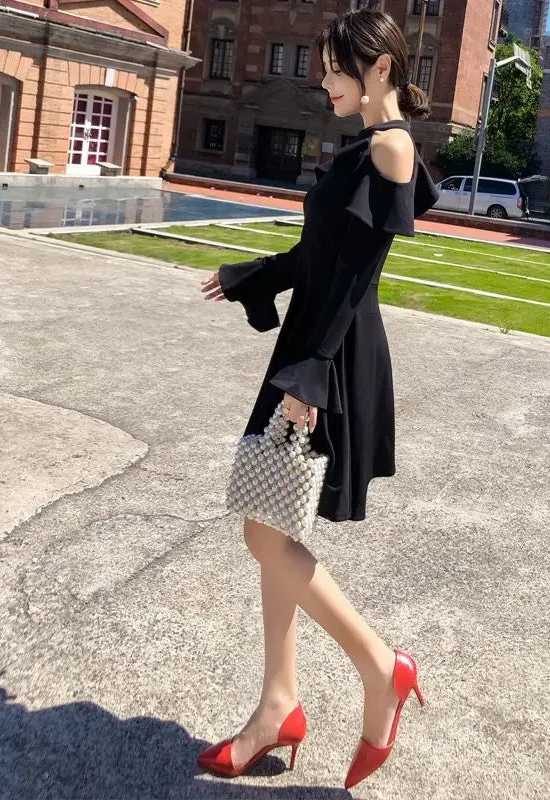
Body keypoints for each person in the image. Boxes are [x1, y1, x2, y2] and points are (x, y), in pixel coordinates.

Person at [197, 8, 439, 791]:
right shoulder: (364, 147)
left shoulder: (391, 146)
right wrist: (253, 276)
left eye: (336, 69)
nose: (324, 81)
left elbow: (357, 277)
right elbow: (317, 255)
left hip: (330, 353)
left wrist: (311, 377)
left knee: (264, 530)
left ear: (378, 68)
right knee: (271, 523)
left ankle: (381, 667)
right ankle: (279, 703)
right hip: (312, 344)